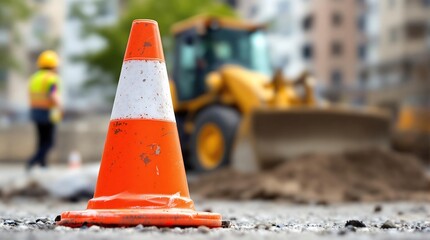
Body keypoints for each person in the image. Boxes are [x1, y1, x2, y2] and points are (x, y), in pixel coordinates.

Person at [27, 50, 62, 170]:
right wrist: (60, 107)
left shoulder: (34, 77)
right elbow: (53, 94)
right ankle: (32, 161)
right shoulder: (51, 78)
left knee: (41, 140)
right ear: (53, 65)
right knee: (49, 142)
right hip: (47, 112)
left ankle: (43, 165)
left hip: (35, 111)